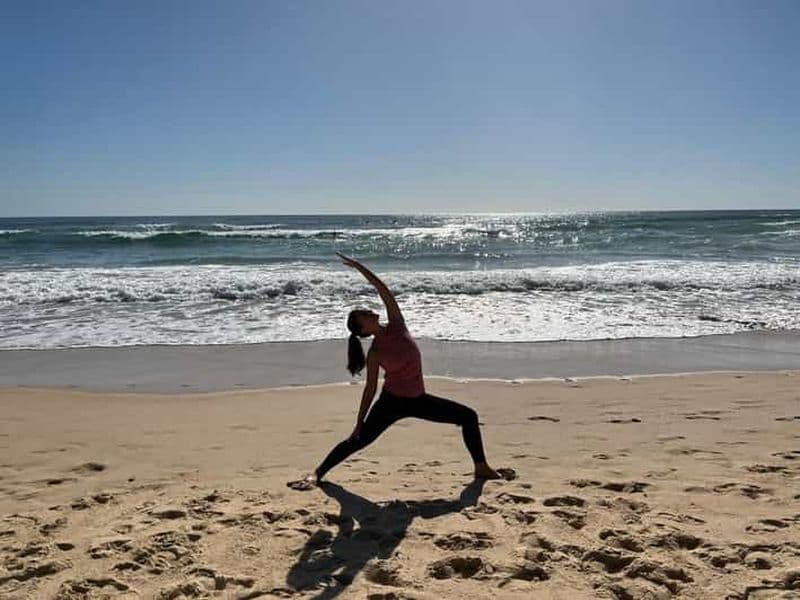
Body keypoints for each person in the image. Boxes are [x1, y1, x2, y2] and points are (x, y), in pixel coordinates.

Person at [298, 252, 504, 488]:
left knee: (468, 416)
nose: (368, 311)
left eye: (365, 310)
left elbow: (382, 289)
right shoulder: (375, 352)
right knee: (358, 440)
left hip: (419, 400)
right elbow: (370, 388)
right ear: (364, 329)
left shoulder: (397, 324)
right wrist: (359, 421)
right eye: (363, 315)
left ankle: (481, 467)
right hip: (391, 403)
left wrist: (359, 267)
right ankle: (317, 473)